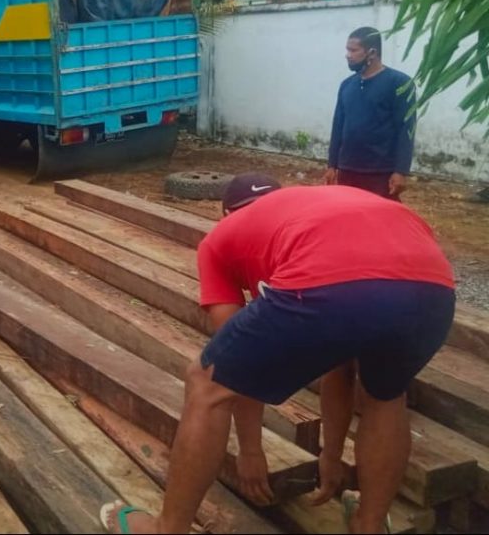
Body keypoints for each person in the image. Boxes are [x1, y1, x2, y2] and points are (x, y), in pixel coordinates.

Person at [102, 173, 455, 535]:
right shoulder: (310, 207)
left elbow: (235, 374)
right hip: (433, 285)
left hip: (332, 275)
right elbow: (342, 364)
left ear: (224, 214)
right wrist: (329, 457)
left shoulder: (220, 239)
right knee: (386, 397)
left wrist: (251, 451)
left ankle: (167, 530)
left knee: (205, 382)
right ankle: (369, 524)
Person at [325, 27, 417, 200]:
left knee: (379, 220)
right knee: (347, 215)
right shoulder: (347, 85)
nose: (348, 55)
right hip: (348, 169)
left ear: (372, 53)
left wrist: (400, 171)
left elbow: (406, 130)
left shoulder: (399, 84)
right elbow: (338, 126)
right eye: (347, 50)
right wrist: (332, 165)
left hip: (380, 172)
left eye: (353, 50)